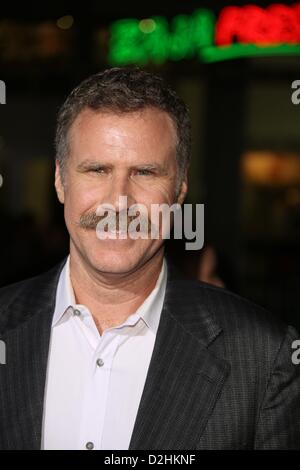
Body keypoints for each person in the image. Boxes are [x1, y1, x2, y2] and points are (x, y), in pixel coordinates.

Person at [0, 67, 299, 450]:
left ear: (178, 191)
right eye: (97, 169)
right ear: (60, 180)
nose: (119, 201)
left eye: (144, 172)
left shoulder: (263, 357)